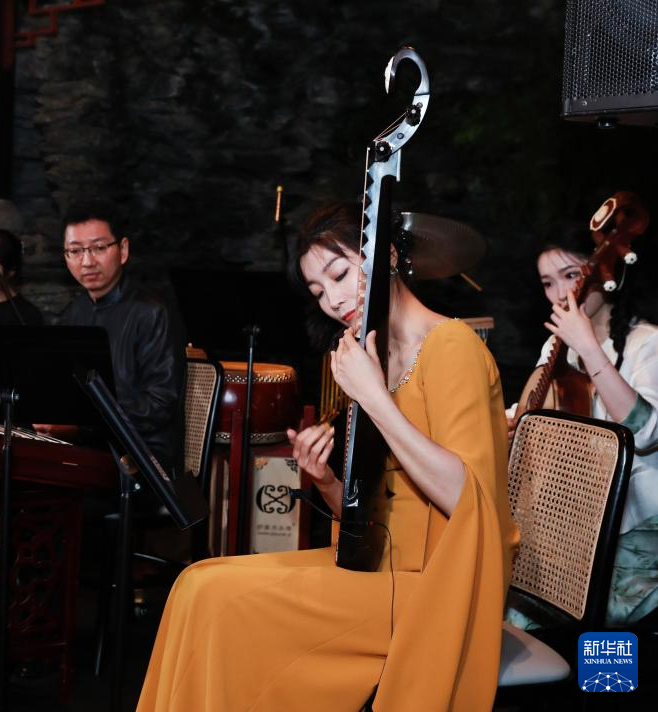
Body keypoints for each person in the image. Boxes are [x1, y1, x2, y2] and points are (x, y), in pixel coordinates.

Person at [137, 202, 519, 712]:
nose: (334, 301)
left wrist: (374, 398)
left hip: (437, 588)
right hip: (382, 571)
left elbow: (466, 499)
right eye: (318, 292)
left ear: (386, 255)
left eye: (340, 275)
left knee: (220, 601)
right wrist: (325, 481)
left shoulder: (451, 345)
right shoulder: (374, 357)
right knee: (195, 582)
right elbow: (376, 521)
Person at [508, 219, 658, 627]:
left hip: (637, 533)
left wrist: (589, 348)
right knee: (508, 607)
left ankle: (607, 672)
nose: (561, 294)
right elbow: (533, 415)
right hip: (574, 530)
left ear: (605, 273)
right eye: (548, 283)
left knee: (585, 619)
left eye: (571, 275)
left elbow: (646, 432)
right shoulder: (555, 347)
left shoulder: (646, 343)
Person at [59, 202, 184, 475]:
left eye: (99, 248)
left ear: (123, 250)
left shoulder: (152, 312)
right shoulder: (73, 313)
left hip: (142, 455)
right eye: (75, 251)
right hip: (91, 445)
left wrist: (84, 422)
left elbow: (160, 404)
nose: (87, 261)